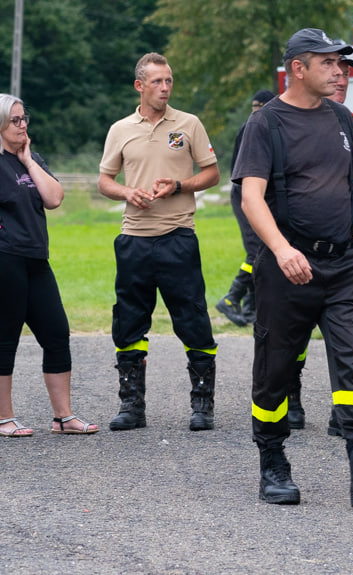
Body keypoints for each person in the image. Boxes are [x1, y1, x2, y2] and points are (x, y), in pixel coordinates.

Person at [233, 28, 353, 507]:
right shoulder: (266, 123)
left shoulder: (346, 121)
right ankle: (272, 464)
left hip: (344, 266)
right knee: (275, 371)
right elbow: (251, 196)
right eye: (329, 62)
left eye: (340, 63)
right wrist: (281, 250)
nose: (339, 71)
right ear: (298, 68)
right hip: (287, 266)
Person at [98, 53, 221, 432]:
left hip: (178, 237)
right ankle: (132, 406)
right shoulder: (120, 129)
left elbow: (213, 174)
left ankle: (202, 405)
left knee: (194, 320)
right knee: (129, 322)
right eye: (157, 82)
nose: (165, 88)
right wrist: (126, 193)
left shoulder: (189, 124)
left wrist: (180, 186)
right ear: (139, 86)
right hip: (134, 239)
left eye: (168, 81)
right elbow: (105, 181)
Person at [285, 50, 353, 433]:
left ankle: (347, 416)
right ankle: (291, 395)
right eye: (336, 70)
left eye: (347, 72)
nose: (342, 78)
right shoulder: (282, 122)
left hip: (348, 250)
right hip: (299, 249)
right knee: (292, 334)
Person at [0, 94, 98, 437]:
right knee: (4, 338)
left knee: (57, 332)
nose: (23, 124)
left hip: (37, 260)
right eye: (15, 120)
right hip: (6, 260)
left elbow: (54, 198)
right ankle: (3, 417)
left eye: (24, 118)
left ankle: (62, 417)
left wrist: (28, 161)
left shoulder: (32, 159)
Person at [216, 89, 276, 327]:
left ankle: (251, 309)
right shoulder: (253, 127)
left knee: (262, 252)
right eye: (255, 108)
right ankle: (232, 297)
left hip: (256, 195)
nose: (255, 112)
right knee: (256, 251)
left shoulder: (258, 124)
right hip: (245, 195)